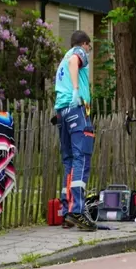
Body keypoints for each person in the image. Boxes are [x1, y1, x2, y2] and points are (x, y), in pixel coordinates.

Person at [54, 30, 96, 231]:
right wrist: (77, 91)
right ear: (85, 44)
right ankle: (77, 211)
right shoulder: (77, 53)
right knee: (82, 157)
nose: (88, 51)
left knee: (69, 160)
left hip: (62, 111)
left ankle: (67, 211)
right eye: (89, 47)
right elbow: (75, 62)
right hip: (76, 109)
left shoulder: (61, 62)